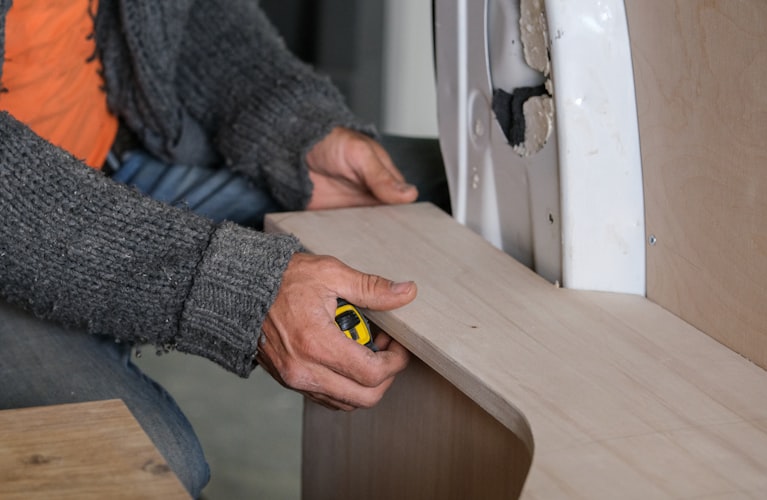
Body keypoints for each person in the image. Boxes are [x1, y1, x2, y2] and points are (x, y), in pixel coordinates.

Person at [0, 1, 442, 497]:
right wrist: (226, 285)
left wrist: (293, 128)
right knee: (146, 471)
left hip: (114, 159)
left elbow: (184, 14)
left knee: (446, 190)